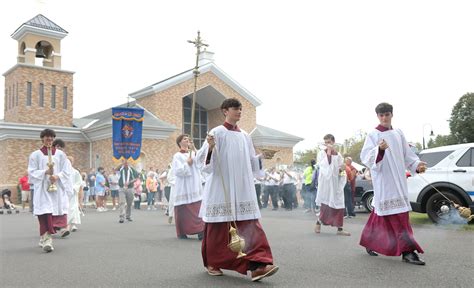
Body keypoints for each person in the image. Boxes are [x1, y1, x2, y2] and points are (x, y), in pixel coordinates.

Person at [197, 98, 278, 282]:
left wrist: (260, 157)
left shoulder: (245, 136)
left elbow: (251, 163)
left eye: (241, 109)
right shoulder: (216, 132)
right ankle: (213, 262)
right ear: (225, 110)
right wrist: (210, 148)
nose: (239, 112)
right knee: (219, 227)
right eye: (235, 109)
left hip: (242, 188)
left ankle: (259, 265)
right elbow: (205, 165)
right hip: (221, 186)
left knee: (250, 226)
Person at [359, 102, 426, 265]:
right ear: (377, 116)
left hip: (399, 179)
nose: (384, 118)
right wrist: (379, 150)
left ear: (391, 115)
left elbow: (407, 155)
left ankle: (370, 240)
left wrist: (417, 165)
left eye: (387, 114)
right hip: (384, 181)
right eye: (381, 115)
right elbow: (366, 157)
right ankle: (408, 252)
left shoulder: (398, 133)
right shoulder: (373, 135)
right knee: (399, 216)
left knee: (382, 214)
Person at [28, 129, 71, 252]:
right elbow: (31, 172)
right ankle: (47, 239)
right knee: (44, 213)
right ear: (42, 139)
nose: (50, 140)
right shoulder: (35, 155)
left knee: (53, 213)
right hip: (42, 189)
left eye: (52, 138)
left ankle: (44, 237)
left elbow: (66, 170)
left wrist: (57, 176)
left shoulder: (60, 155)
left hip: (55, 188)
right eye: (47, 138)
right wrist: (45, 172)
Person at [314, 134, 350, 236]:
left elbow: (340, 171)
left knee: (339, 204)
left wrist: (342, 169)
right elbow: (324, 168)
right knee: (326, 205)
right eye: (325, 142)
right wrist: (328, 153)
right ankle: (318, 222)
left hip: (336, 184)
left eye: (329, 142)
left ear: (333, 142)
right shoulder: (321, 154)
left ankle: (340, 229)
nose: (327, 144)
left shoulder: (338, 155)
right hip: (326, 184)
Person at [170, 134, 205, 239]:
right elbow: (178, 171)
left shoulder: (193, 153)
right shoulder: (177, 156)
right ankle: (182, 231)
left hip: (194, 185)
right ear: (180, 142)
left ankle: (200, 230)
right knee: (183, 209)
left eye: (188, 139)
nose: (187, 140)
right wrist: (187, 164)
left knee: (197, 208)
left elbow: (201, 162)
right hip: (184, 185)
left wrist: (194, 148)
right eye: (185, 139)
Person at [67, 156, 83, 232]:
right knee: (66, 209)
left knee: (73, 208)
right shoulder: (63, 171)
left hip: (73, 193)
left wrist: (74, 188)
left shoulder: (75, 172)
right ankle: (66, 224)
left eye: (70, 161)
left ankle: (72, 224)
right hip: (65, 193)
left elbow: (79, 182)